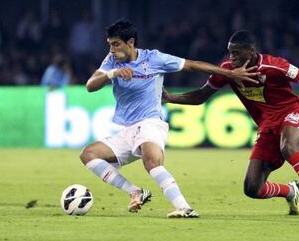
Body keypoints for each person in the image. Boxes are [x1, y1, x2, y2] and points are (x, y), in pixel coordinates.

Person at [162, 30, 299, 219]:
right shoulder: (227, 71)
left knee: (288, 147)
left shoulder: (274, 66)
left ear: (251, 51)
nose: (231, 58)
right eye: (229, 52)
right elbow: (201, 96)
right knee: (252, 188)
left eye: (236, 52)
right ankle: (290, 191)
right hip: (267, 126)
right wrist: (171, 98)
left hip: (292, 112)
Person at [79, 20, 258, 218]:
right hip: (128, 130)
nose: (111, 49)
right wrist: (113, 73)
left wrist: (230, 73)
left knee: (152, 160)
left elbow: (192, 65)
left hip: (151, 124)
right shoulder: (112, 61)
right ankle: (135, 192)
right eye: (110, 44)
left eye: (115, 44)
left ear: (130, 42)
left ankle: (184, 208)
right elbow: (90, 85)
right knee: (88, 154)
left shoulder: (154, 59)